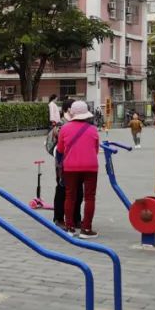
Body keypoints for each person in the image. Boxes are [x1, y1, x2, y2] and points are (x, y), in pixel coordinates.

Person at [57, 100, 100, 238]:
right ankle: (86, 229)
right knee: (90, 197)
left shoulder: (64, 129)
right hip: (90, 167)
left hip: (70, 167)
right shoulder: (93, 129)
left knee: (70, 196)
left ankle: (69, 227)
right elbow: (96, 149)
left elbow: (60, 149)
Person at [50, 98, 82, 228]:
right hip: (62, 163)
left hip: (78, 162)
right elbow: (60, 147)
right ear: (68, 110)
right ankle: (59, 218)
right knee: (62, 189)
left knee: (78, 190)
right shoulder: (60, 126)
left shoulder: (79, 123)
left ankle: (76, 218)